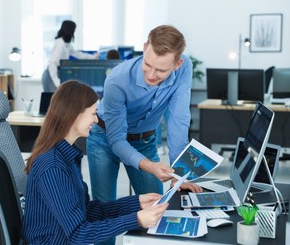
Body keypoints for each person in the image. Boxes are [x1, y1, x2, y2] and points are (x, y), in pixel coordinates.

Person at [21, 80, 171, 244]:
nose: (96, 119)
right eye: (93, 113)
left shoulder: (67, 157)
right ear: (75, 113)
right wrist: (137, 220)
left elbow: (88, 211)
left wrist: (136, 202)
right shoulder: (52, 165)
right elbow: (78, 233)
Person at [86, 24, 203, 216]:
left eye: (161, 71)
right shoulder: (117, 80)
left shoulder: (184, 69)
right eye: (147, 65)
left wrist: (179, 174)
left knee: (158, 207)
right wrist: (150, 166)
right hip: (104, 138)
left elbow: (178, 122)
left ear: (177, 64)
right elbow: (117, 141)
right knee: (104, 211)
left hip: (144, 141)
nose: (151, 74)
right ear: (144, 48)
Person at [42, 20, 99, 92]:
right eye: (74, 29)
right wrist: (57, 82)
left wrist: (93, 57)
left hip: (58, 73)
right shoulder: (60, 43)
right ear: (69, 30)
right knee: (51, 101)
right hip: (51, 76)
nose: (74, 31)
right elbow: (53, 63)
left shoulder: (66, 44)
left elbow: (77, 54)